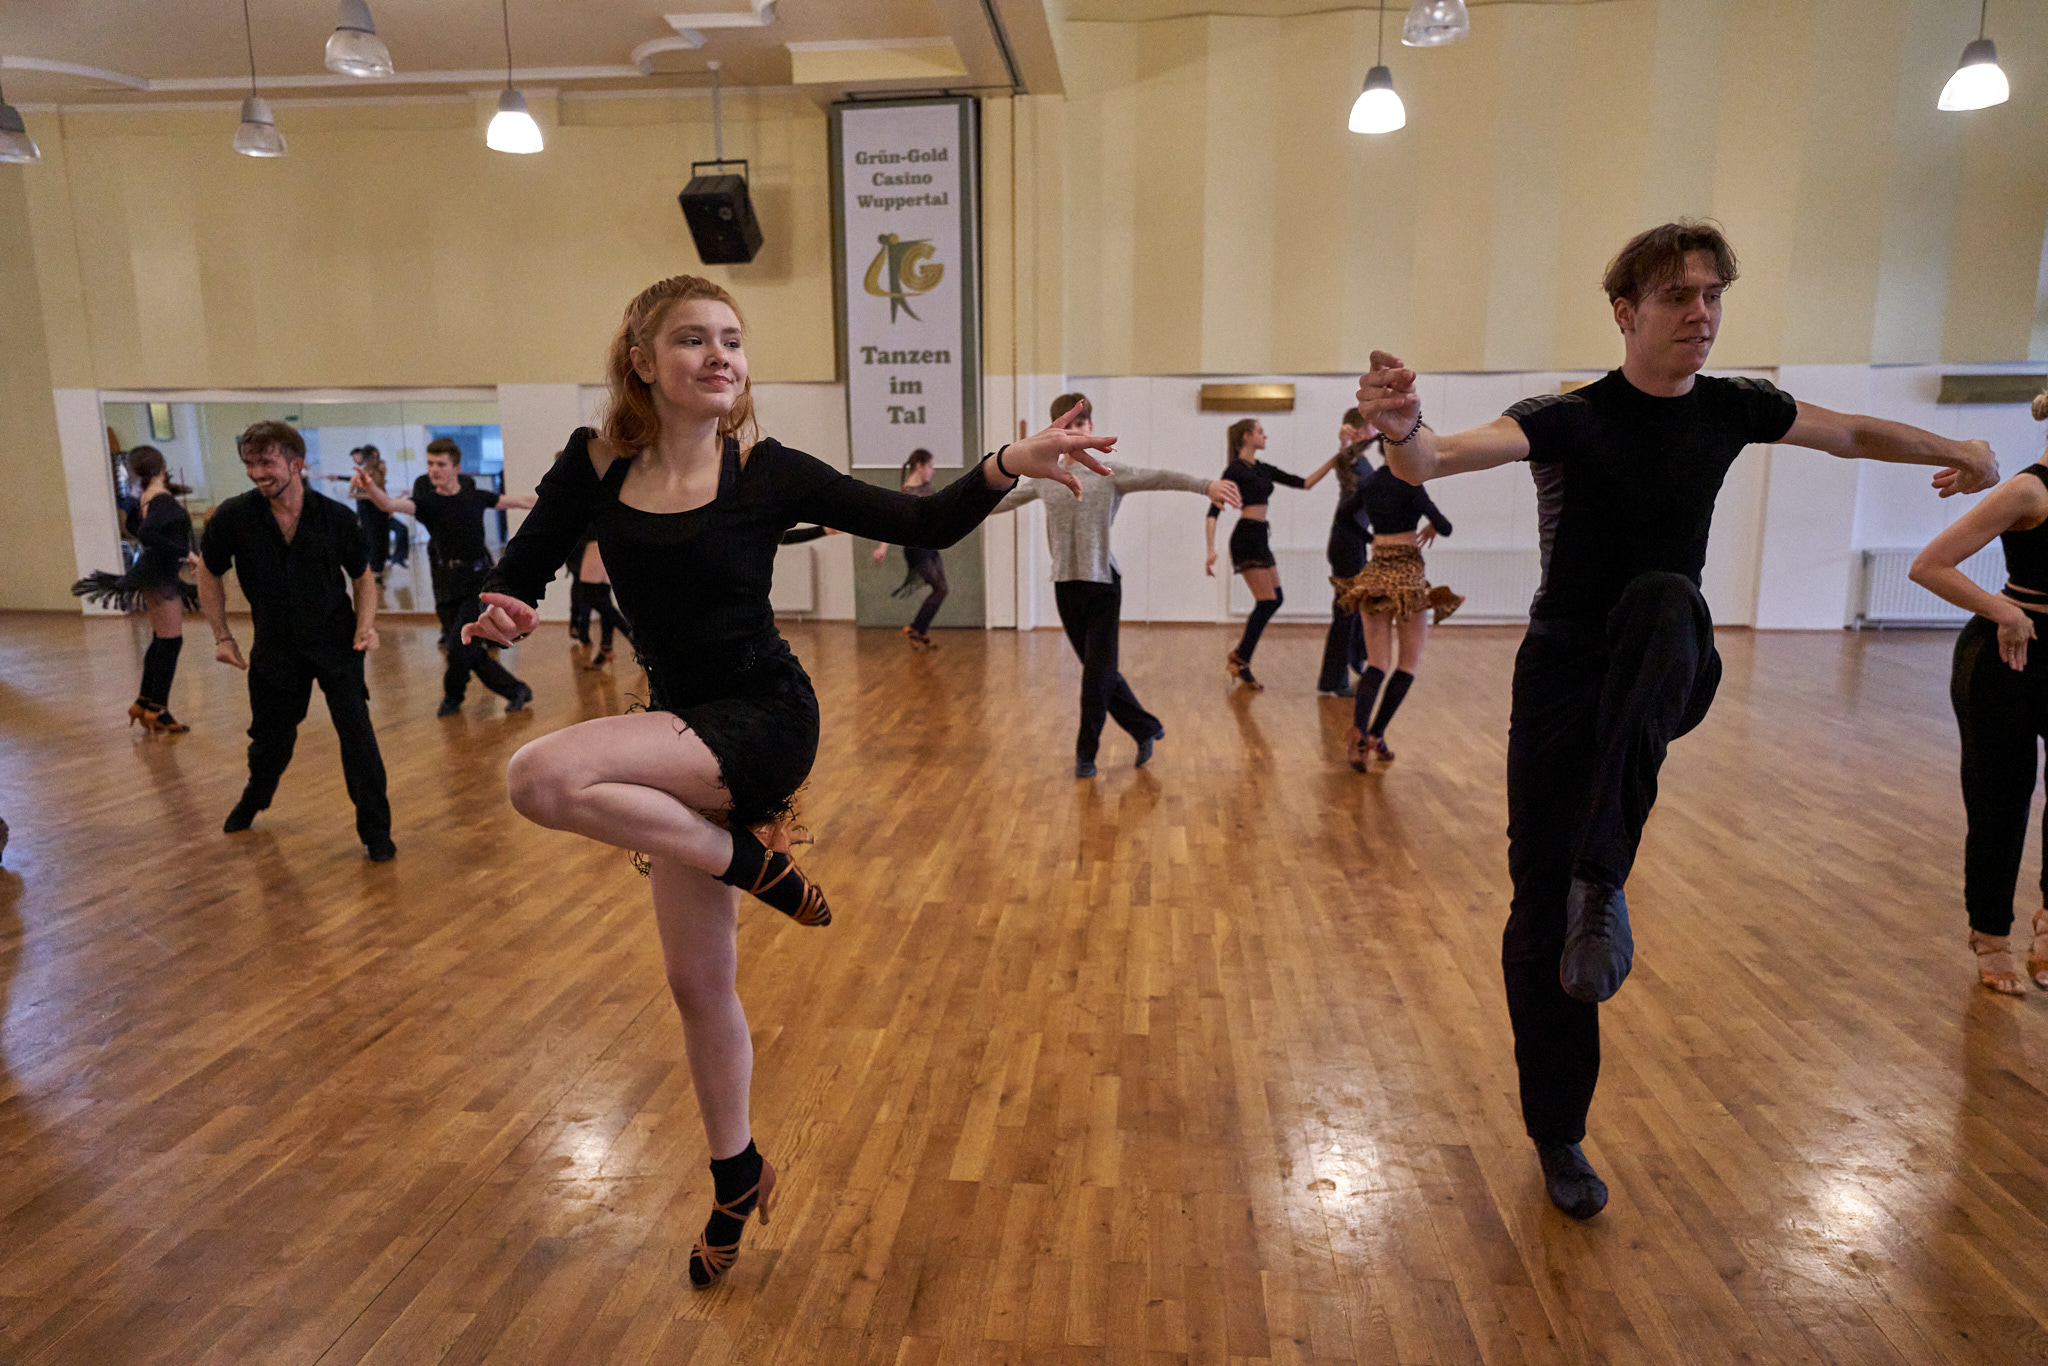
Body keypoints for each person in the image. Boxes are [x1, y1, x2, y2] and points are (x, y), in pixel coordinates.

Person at [462, 275, 1115, 1289]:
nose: (719, 355)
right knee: (696, 986)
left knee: (538, 775)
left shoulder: (767, 472)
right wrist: (504, 607)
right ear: (641, 360)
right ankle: (737, 1173)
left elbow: (923, 521)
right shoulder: (594, 463)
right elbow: (525, 566)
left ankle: (748, 862)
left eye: (731, 339)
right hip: (674, 735)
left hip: (763, 721)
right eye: (692, 339)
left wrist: (1001, 465)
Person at [1354, 220, 1999, 1221]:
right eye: (1676, 296)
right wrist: (1402, 428)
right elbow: (1437, 458)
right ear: (1624, 312)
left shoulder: (1734, 405)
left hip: (1669, 659)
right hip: (1564, 680)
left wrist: (1960, 448)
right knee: (1540, 915)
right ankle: (1559, 1128)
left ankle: (1601, 873)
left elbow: (1850, 433)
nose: (1700, 313)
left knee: (1661, 595)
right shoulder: (1568, 417)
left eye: (1711, 295)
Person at [996, 392, 1241, 777]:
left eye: (1082, 423)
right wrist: (949, 503)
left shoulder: (1109, 473)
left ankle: (1085, 755)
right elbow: (1000, 502)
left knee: (1095, 677)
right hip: (1066, 586)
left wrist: (1205, 485)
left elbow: (1159, 477)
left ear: (1091, 428)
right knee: (1102, 672)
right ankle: (1145, 727)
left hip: (1103, 586)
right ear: (1057, 431)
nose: (1076, 430)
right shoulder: (1045, 477)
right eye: (1068, 425)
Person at [195, 420, 395, 862]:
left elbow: (362, 578)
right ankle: (256, 796)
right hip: (275, 646)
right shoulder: (234, 517)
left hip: (337, 643)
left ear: (296, 464)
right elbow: (207, 573)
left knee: (358, 738)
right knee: (271, 740)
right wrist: (222, 635)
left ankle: (377, 833)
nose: (256, 473)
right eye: (249, 464)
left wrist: (366, 626)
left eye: (265, 463)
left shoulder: (335, 518)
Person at [1909, 389, 2048, 995]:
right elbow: (1930, 565)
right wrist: (2003, 610)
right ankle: (1990, 935)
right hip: (2006, 657)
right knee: (2001, 801)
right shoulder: (2029, 491)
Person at [353, 437, 539, 717]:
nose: (434, 470)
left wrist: (560, 501)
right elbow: (389, 504)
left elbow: (520, 501)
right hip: (445, 583)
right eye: (430, 464)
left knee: (459, 645)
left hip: (478, 583)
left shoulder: (474, 497)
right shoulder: (428, 503)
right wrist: (370, 487)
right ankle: (516, 690)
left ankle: (452, 698)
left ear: (456, 468)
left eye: (440, 464)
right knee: (469, 647)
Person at [1333, 460, 1461, 770]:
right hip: (1407, 576)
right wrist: (1432, 526)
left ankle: (1359, 734)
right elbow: (1445, 526)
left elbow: (1343, 516)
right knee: (1408, 663)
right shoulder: (1410, 481)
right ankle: (1376, 734)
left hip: (1376, 572)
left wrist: (1369, 540)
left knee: (1377, 662)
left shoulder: (1370, 482)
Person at [73, 445, 201, 735]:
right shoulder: (161, 498)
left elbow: (140, 527)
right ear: (162, 465)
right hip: (160, 576)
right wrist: (189, 554)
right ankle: (158, 710)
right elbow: (148, 533)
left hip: (155, 572)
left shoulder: (147, 496)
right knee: (170, 642)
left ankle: (144, 702)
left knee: (161, 640)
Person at [1204, 418, 1338, 690]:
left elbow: (1305, 483)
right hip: (1246, 538)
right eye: (1260, 432)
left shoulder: (1263, 469)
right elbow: (1213, 511)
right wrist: (1210, 549)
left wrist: (1336, 459)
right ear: (1246, 437)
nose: (1265, 436)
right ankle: (1241, 659)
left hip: (1260, 536)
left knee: (1276, 599)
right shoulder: (1234, 470)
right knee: (1267, 601)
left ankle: (1240, 655)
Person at [1316, 411, 1380, 698]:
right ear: (1358, 431)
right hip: (1347, 543)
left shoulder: (1361, 460)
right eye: (1371, 427)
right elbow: (1343, 462)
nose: (1375, 432)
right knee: (1346, 612)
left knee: (1352, 610)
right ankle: (1337, 678)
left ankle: (1343, 672)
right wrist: (1343, 443)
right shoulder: (1351, 460)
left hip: (1352, 541)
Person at [869, 448, 951, 650]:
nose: (932, 471)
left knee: (941, 589)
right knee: (940, 589)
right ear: (919, 466)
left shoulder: (927, 488)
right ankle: (916, 629)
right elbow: (892, 525)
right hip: (917, 551)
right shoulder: (906, 493)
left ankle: (919, 630)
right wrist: (882, 548)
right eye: (930, 466)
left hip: (930, 547)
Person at [567, 525, 634, 668]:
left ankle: (632, 634)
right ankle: (606, 648)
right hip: (607, 541)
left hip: (598, 541)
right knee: (603, 597)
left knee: (589, 595)